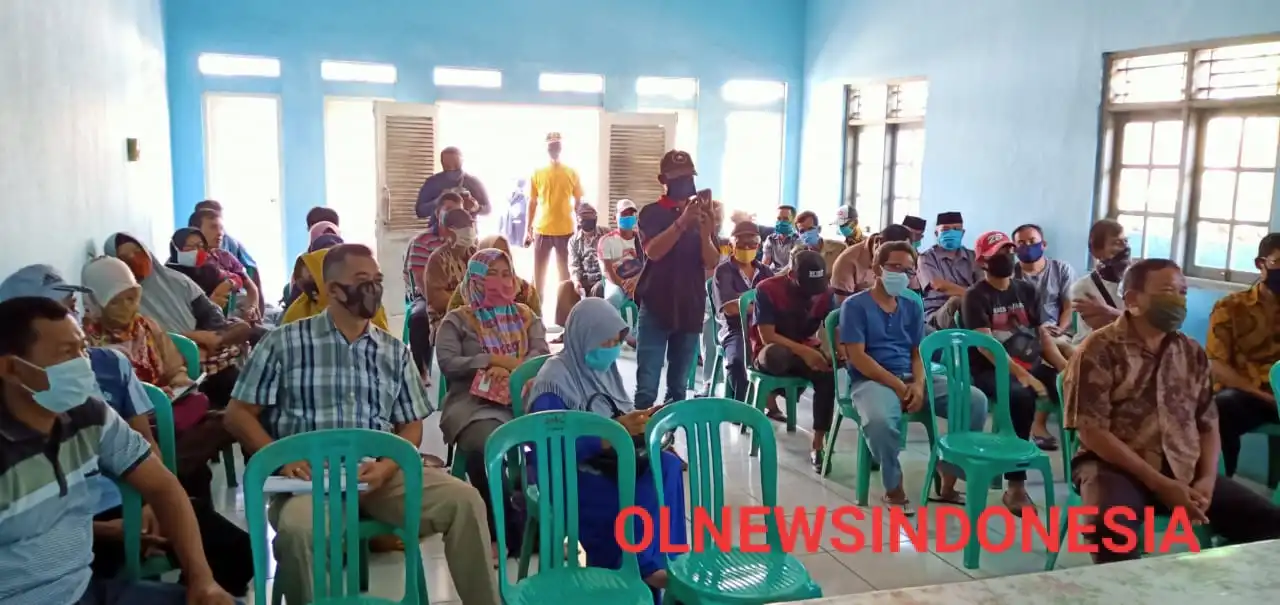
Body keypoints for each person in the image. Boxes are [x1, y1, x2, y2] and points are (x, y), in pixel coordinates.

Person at [224, 243, 497, 605]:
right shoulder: (285, 343)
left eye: (377, 280)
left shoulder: (392, 350)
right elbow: (237, 414)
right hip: (311, 481)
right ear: (333, 289)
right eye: (361, 280)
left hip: (378, 475)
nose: (373, 288)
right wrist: (280, 458)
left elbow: (411, 425)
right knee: (297, 533)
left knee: (464, 501)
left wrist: (388, 465)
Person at [0, 297, 236, 605]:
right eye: (66, 354)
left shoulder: (88, 415)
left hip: (86, 591)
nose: (83, 363)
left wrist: (201, 580)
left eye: (83, 348)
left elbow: (163, 486)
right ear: (11, 368)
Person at [1064, 258, 1280, 563]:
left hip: (1183, 467)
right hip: (1114, 466)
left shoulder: (1190, 353)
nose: (1178, 299)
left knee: (1272, 525)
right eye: (1167, 290)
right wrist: (1161, 484)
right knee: (1108, 528)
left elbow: (1207, 423)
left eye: (1183, 292)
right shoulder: (1098, 350)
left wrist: (1205, 479)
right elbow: (1092, 432)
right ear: (1133, 300)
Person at [526, 298, 686, 600]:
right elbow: (547, 450)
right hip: (570, 474)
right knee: (633, 500)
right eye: (605, 341)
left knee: (667, 465)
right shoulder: (554, 380)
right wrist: (609, 435)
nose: (612, 348)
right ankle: (640, 571)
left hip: (610, 465)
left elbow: (616, 419)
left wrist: (640, 426)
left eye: (616, 341)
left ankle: (668, 563)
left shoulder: (606, 373)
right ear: (583, 336)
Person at [839, 241, 989, 513]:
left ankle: (948, 477)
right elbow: (858, 357)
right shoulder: (855, 306)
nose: (902, 275)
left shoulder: (912, 304)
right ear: (876, 267)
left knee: (974, 400)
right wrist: (899, 386)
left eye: (908, 270)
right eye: (895, 267)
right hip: (872, 380)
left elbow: (918, 352)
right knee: (880, 421)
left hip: (913, 376)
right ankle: (893, 485)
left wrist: (918, 385)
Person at [78, 256, 235, 500]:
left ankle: (172, 474)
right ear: (96, 303)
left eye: (132, 298)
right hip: (130, 425)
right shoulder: (87, 344)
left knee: (227, 419)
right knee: (201, 461)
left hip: (168, 411)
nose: (128, 307)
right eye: (117, 301)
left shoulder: (147, 327)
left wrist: (180, 381)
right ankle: (173, 476)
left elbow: (173, 367)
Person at [437, 248, 548, 553]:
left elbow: (541, 353)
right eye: (491, 274)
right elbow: (448, 362)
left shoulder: (526, 315)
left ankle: (535, 520)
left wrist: (514, 369)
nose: (501, 281)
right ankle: (502, 526)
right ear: (475, 279)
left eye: (506, 273)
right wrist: (489, 360)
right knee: (486, 443)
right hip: (474, 403)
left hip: (522, 399)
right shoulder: (457, 319)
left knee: (554, 438)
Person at [962, 231, 1069, 507]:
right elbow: (987, 347)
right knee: (1021, 396)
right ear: (983, 261)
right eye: (999, 253)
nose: (1007, 257)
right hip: (990, 369)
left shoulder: (1026, 290)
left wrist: (1066, 368)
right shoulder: (976, 296)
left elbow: (1042, 336)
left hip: (1028, 362)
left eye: (1009, 251)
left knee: (1073, 387)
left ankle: (1082, 468)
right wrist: (1023, 376)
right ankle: (1016, 486)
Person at [103, 233, 250, 407]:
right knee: (229, 378)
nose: (135, 259)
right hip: (173, 354)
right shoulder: (122, 301)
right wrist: (195, 339)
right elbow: (148, 339)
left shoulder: (175, 280)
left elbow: (209, 313)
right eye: (124, 257)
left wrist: (211, 337)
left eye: (137, 251)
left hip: (207, 342)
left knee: (245, 330)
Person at [633, 150, 721, 409]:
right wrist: (683, 221)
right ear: (664, 179)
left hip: (690, 305)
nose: (685, 182)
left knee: (679, 387)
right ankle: (641, 441)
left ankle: (669, 439)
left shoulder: (702, 213)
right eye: (678, 177)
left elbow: (712, 262)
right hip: (656, 304)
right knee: (647, 385)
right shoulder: (650, 213)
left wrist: (706, 232)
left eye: (688, 177)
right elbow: (653, 251)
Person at [751, 250, 839, 471]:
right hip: (771, 350)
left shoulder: (826, 294)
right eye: (807, 288)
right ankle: (773, 395)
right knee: (777, 356)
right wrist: (805, 352)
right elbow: (767, 336)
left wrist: (836, 352)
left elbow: (833, 326)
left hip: (805, 347)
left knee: (828, 373)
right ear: (791, 275)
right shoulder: (768, 289)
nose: (812, 295)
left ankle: (818, 444)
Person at [1208, 233, 1280, 477]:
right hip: (1250, 394)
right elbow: (1216, 363)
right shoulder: (1231, 307)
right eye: (1279, 262)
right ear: (1261, 264)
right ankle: (1222, 489)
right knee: (1220, 408)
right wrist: (1262, 395)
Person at [1012, 223, 1077, 448]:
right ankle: (1074, 393)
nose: (1027, 246)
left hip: (1058, 331)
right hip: (1026, 335)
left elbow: (1068, 305)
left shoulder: (1061, 269)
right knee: (1059, 355)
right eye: (1021, 243)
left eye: (1032, 241)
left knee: (1070, 349)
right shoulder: (1011, 274)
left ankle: (1072, 406)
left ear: (1044, 244)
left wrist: (1061, 326)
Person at [711, 221, 775, 404]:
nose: (746, 248)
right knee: (738, 360)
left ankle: (769, 400)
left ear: (759, 245)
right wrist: (760, 306)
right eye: (741, 243)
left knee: (780, 355)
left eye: (752, 243)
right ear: (732, 245)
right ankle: (740, 405)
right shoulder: (724, 271)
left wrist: (743, 301)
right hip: (734, 329)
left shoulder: (765, 272)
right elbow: (730, 309)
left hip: (761, 328)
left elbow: (775, 303)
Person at [405, 191, 467, 376]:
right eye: (448, 210)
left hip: (461, 296)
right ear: (437, 212)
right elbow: (420, 280)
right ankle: (421, 372)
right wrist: (442, 302)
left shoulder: (466, 244)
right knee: (419, 318)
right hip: (427, 295)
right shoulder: (421, 241)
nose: (452, 215)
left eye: (458, 211)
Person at [525, 132, 584, 299]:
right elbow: (532, 202)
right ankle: (536, 313)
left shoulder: (571, 172)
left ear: (561, 147)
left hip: (566, 230)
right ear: (546, 148)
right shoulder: (537, 172)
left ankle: (566, 316)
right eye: (551, 146)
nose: (554, 149)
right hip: (542, 229)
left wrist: (580, 226)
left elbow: (578, 202)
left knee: (565, 277)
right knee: (538, 277)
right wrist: (527, 230)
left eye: (557, 145)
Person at [282, 246, 390, 331]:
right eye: (303, 281)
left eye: (313, 277)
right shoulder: (298, 311)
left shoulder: (366, 306)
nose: (309, 288)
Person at [188, 209, 261, 319]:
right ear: (196, 231)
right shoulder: (184, 261)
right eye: (213, 227)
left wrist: (251, 308)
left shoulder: (226, 257)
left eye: (221, 228)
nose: (220, 233)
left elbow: (252, 288)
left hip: (228, 318)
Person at [1069, 218, 1130, 344]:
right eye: (1116, 243)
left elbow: (1147, 326)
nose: (1125, 247)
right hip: (1092, 353)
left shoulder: (1140, 283)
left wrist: (1107, 311)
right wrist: (1130, 318)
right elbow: (1105, 329)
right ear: (1097, 252)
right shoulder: (1082, 287)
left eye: (1126, 241)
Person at [447, 235, 542, 314]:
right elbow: (450, 329)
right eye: (493, 253)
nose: (501, 259)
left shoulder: (525, 291)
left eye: (505, 252)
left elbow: (538, 331)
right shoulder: (466, 291)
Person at [425, 208, 480, 337]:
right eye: (462, 227)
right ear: (449, 231)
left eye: (470, 225)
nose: (468, 230)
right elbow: (437, 300)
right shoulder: (438, 259)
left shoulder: (476, 254)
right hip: (445, 318)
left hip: (476, 314)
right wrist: (469, 304)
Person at [554, 203, 609, 328]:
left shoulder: (606, 234)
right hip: (584, 279)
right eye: (584, 220)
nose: (587, 223)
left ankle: (592, 330)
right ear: (579, 221)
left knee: (599, 289)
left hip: (603, 278)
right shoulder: (574, 241)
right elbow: (573, 264)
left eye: (590, 220)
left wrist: (604, 279)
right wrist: (576, 281)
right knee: (564, 288)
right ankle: (568, 330)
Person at [918, 211, 981, 320]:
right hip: (937, 313)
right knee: (956, 301)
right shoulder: (926, 258)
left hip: (972, 308)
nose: (951, 233)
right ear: (936, 233)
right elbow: (938, 285)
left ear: (963, 232)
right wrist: (973, 296)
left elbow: (983, 287)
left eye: (956, 229)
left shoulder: (973, 257)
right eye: (945, 230)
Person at [831, 224, 919, 297]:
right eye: (894, 264)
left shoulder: (907, 258)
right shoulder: (847, 260)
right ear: (879, 242)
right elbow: (842, 307)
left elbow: (914, 293)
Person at [167, 228, 239, 312]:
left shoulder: (208, 268)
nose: (196, 251)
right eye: (189, 247)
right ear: (175, 249)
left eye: (200, 246)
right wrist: (209, 305)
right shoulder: (168, 275)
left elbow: (237, 278)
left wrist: (229, 283)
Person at [194, 199, 258, 288]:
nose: (219, 232)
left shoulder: (230, 245)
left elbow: (251, 269)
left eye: (220, 226)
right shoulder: (187, 251)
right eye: (212, 226)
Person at [414, 146, 490, 219]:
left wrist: (476, 207)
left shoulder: (473, 182)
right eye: (447, 166)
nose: (452, 168)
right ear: (442, 162)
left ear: (462, 161)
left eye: (456, 165)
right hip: (438, 229)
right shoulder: (432, 182)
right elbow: (420, 212)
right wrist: (438, 201)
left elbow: (488, 209)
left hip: (466, 229)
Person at [599, 199, 646, 314]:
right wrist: (624, 286)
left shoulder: (642, 239)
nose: (628, 217)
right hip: (616, 280)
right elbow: (607, 271)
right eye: (624, 214)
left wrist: (636, 281)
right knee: (612, 300)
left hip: (639, 279)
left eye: (631, 214)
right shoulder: (606, 241)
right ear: (615, 218)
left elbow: (648, 264)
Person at [761, 205, 798, 271]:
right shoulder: (770, 239)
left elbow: (793, 268)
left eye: (785, 219)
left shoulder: (798, 240)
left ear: (793, 221)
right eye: (779, 218)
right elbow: (765, 264)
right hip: (773, 275)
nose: (781, 221)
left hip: (790, 276)